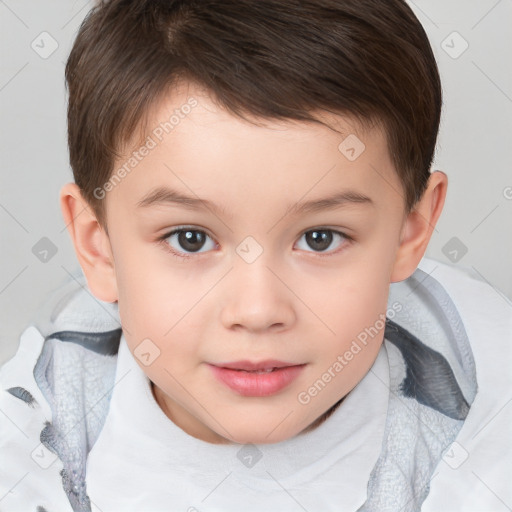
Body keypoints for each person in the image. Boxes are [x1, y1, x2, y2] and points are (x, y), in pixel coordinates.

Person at [1, 1, 511, 511]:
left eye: (320, 238)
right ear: (100, 246)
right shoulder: (32, 440)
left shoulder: (491, 419)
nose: (257, 310)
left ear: (410, 232)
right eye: (190, 239)